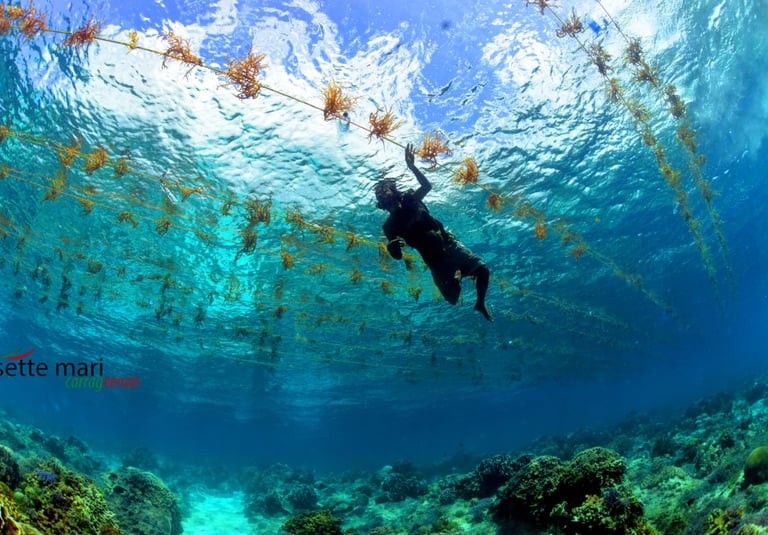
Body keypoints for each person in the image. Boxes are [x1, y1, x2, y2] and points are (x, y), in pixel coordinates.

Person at [374, 144, 492, 321]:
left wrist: (412, 167)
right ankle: (458, 277)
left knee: (483, 271)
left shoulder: (410, 199)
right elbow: (398, 256)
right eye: (385, 203)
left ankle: (480, 303)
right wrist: (392, 249)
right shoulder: (389, 226)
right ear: (382, 207)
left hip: (448, 244)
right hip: (434, 261)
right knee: (452, 299)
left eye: (390, 199)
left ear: (396, 195)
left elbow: (427, 186)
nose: (390, 205)